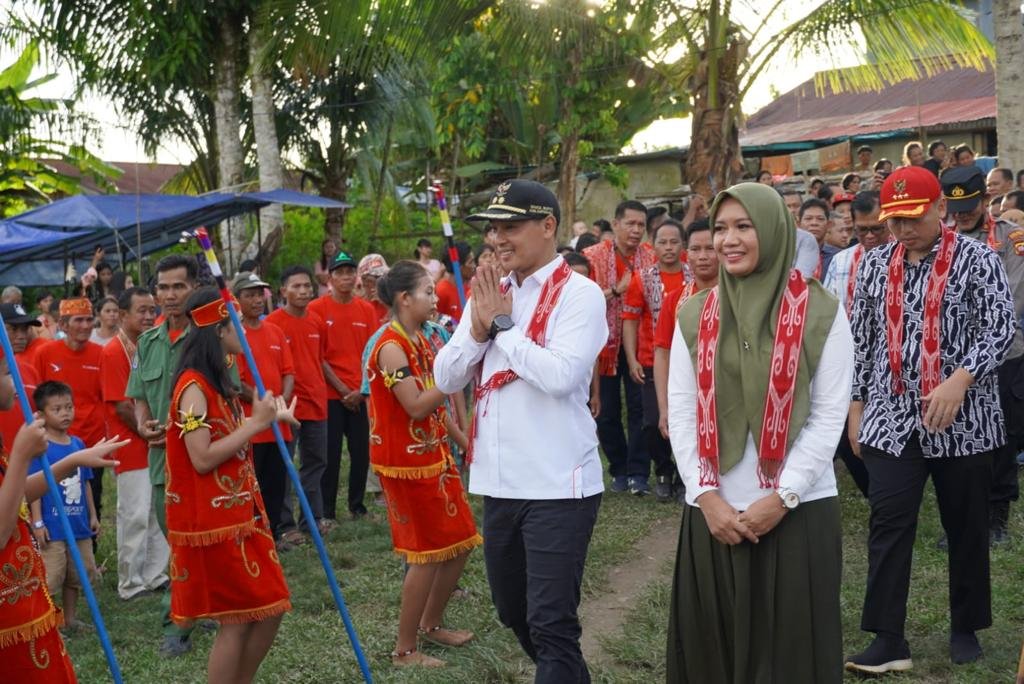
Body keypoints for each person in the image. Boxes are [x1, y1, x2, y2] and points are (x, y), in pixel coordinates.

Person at [666, 182, 853, 683]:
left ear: (772, 231)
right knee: (714, 653)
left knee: (792, 656)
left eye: (744, 226)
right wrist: (707, 497)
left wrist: (783, 496)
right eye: (720, 228)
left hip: (798, 511)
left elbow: (828, 416)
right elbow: (682, 414)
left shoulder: (823, 312)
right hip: (715, 513)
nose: (729, 239)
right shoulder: (694, 314)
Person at [845, 166, 1016, 673]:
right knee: (889, 521)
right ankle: (887, 637)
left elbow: (1002, 327)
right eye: (893, 221)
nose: (900, 231)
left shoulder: (978, 259)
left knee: (966, 524)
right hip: (891, 415)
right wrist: (856, 407)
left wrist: (961, 378)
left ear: (940, 209)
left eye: (911, 219)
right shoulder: (875, 265)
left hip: (963, 418)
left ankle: (965, 626)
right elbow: (861, 340)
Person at [436, 179, 607, 682]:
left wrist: (505, 328)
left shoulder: (581, 294)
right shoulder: (491, 294)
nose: (498, 239)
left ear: (548, 226)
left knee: (550, 622)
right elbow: (445, 377)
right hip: (499, 481)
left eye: (511, 226)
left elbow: (559, 376)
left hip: (559, 484)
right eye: (493, 229)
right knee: (513, 612)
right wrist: (477, 327)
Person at [164, 288, 297, 682]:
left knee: (270, 607)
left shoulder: (223, 380)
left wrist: (270, 416)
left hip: (243, 513)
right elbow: (201, 458)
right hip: (215, 523)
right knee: (238, 620)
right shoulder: (192, 387)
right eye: (236, 323)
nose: (246, 330)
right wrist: (256, 425)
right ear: (220, 330)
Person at [365, 261, 482, 668]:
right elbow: (416, 406)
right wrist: (453, 377)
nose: (435, 300)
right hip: (406, 465)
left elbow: (436, 409)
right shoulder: (391, 346)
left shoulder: (423, 340)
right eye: (428, 293)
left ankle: (431, 625)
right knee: (426, 554)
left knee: (461, 542)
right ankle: (404, 649)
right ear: (404, 299)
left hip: (436, 456)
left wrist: (464, 441)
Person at [0, 369, 121, 682]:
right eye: (4, 372)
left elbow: (15, 493)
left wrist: (74, 461)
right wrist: (22, 456)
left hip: (21, 601)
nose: (13, 381)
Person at [940, 165, 1024, 546]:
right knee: (958, 438)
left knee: (1003, 436)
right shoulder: (940, 241)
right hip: (953, 359)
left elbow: (1013, 296)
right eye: (956, 208)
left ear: (986, 200)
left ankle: (997, 517)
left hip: (1005, 354)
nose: (963, 214)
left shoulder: (1010, 238)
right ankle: (963, 516)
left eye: (970, 205)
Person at [125, 253, 202, 656]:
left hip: (208, 462)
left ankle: (210, 608)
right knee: (178, 542)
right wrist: (143, 423)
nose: (170, 295)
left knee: (208, 540)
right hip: (163, 465)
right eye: (163, 287)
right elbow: (138, 395)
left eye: (179, 286)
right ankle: (178, 622)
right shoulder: (146, 343)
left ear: (194, 288)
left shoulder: (209, 336)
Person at [28, 381, 117, 635]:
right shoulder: (40, 448)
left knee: (77, 576)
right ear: (42, 415)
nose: (66, 413)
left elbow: (86, 482)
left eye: (69, 407)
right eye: (57, 409)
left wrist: (92, 516)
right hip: (53, 527)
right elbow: (34, 490)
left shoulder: (78, 444)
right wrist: (37, 522)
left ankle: (70, 619)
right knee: (52, 577)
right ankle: (48, 625)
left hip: (78, 525)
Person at [100, 287, 169, 600]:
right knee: (135, 513)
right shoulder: (113, 351)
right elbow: (122, 405)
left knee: (158, 509)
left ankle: (156, 574)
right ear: (122, 315)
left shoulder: (152, 344)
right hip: (131, 444)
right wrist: (147, 431)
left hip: (155, 440)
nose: (147, 316)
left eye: (150, 310)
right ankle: (130, 583)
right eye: (140, 310)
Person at [583, 199, 655, 491]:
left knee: (641, 408)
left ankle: (639, 471)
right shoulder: (591, 257)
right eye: (630, 224)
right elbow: (580, 298)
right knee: (607, 410)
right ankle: (618, 468)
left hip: (641, 345)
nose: (636, 230)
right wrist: (615, 291)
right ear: (615, 224)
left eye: (641, 225)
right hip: (603, 345)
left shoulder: (651, 256)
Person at [823, 191, 889, 498]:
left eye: (877, 228)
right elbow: (827, 317)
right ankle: (875, 493)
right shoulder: (841, 262)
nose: (871, 236)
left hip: (892, 368)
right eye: (863, 230)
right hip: (851, 366)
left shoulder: (907, 259)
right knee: (847, 436)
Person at [651, 218, 719, 503]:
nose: (702, 256)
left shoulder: (739, 296)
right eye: (695, 249)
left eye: (709, 248)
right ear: (686, 254)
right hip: (689, 392)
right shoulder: (675, 301)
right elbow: (662, 353)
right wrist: (664, 407)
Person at [232, 271, 301, 552]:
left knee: (277, 481)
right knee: (253, 483)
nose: (257, 300)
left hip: (279, 422)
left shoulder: (274, 331)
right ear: (236, 300)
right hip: (253, 426)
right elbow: (236, 382)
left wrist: (281, 401)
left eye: (260, 294)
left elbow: (289, 372)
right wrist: (264, 405)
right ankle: (253, 536)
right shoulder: (235, 335)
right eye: (250, 295)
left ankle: (274, 534)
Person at [308, 252, 378, 521]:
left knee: (361, 452)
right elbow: (319, 356)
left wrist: (360, 390)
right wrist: (340, 389)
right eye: (340, 272)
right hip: (330, 394)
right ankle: (327, 511)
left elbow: (371, 352)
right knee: (331, 454)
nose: (346, 277)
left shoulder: (366, 309)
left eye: (351, 272)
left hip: (360, 393)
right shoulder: (317, 309)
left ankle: (357, 506)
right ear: (330, 278)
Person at [622, 219, 687, 498]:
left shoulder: (695, 274)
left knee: (686, 418)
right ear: (653, 245)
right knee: (651, 421)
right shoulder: (642, 278)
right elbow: (630, 320)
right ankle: (663, 468)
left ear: (682, 245)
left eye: (674, 242)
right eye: (663, 242)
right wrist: (632, 358)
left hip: (688, 361)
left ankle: (687, 472)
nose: (669, 247)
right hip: (651, 360)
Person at [33, 299, 107, 542]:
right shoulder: (45, 353)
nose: (86, 326)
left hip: (90, 444)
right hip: (53, 446)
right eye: (79, 320)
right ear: (63, 323)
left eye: (89, 319)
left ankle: (88, 562)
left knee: (89, 500)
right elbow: (37, 400)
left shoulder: (100, 354)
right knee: (51, 501)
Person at [266, 266, 331, 536]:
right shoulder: (272, 324)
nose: (303, 291)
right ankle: (285, 525)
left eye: (307, 286)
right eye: (296, 286)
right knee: (284, 464)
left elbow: (320, 359)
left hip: (316, 403)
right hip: (287, 407)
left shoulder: (316, 321)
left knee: (316, 463)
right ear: (283, 291)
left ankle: (312, 521)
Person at [0, 304, 42, 452]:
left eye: (25, 329)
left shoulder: (30, 371)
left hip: (27, 463)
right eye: (13, 328)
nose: (21, 335)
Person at [437, 242, 475, 322]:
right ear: (459, 266)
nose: (474, 266)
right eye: (471, 262)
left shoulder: (470, 288)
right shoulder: (441, 291)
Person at [798, 197, 831, 279]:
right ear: (798, 223)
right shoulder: (789, 255)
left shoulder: (838, 257)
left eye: (820, 219)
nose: (814, 223)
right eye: (808, 219)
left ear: (828, 224)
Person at [357, 253, 391, 325]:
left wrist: (386, 303)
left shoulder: (390, 301)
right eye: (374, 279)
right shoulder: (358, 305)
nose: (380, 282)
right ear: (363, 281)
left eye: (382, 277)